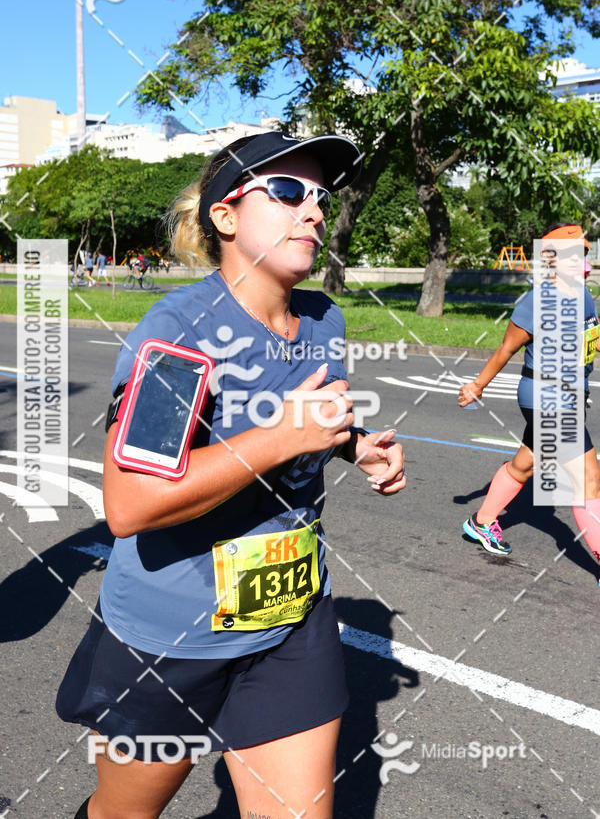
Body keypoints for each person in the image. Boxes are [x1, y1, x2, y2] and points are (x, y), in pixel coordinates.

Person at [56, 130, 406, 819]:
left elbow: (304, 422)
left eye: (320, 196)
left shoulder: (323, 318)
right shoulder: (178, 332)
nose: (313, 210)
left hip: (291, 621)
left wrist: (352, 446)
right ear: (225, 216)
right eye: (285, 191)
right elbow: (132, 504)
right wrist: (280, 438)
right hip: (171, 638)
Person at [458, 223, 600, 568]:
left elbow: (587, 340)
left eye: (581, 253)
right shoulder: (535, 302)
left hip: (567, 394)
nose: (579, 260)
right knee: (588, 479)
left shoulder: (581, 294)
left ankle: (480, 522)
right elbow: (506, 350)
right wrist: (477, 385)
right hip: (545, 397)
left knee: (525, 464)